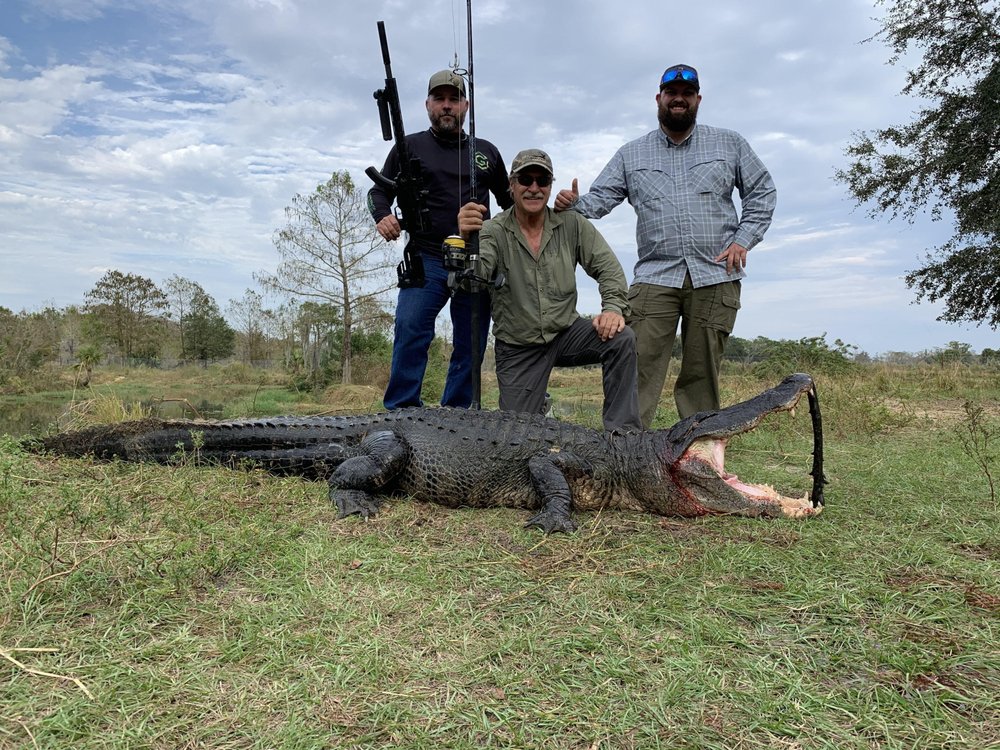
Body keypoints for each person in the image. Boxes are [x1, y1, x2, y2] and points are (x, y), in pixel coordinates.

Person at [555, 64, 776, 427]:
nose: (679, 99)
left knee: (701, 374)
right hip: (656, 275)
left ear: (697, 100)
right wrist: (571, 204)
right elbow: (598, 201)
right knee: (636, 363)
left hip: (715, 273)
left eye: (687, 94)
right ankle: (625, 452)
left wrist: (743, 239)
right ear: (659, 98)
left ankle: (699, 455)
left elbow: (763, 191)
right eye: (671, 93)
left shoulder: (729, 143)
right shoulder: (632, 154)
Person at [458, 149, 641, 433]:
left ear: (550, 185)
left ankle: (623, 438)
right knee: (517, 437)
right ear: (512, 184)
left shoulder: (572, 223)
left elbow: (608, 268)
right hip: (518, 347)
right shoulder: (492, 230)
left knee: (621, 338)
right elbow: (476, 276)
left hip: (566, 333)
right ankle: (538, 404)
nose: (534, 188)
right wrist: (467, 241)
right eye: (525, 180)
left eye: (542, 180)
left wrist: (613, 308)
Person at [368, 70, 513, 410]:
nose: (447, 106)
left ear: (465, 105)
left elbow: (512, 203)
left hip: (476, 261)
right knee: (410, 330)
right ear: (428, 104)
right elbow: (379, 190)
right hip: (427, 257)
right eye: (439, 99)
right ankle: (401, 412)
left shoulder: (486, 152)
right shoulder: (408, 147)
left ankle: (456, 416)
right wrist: (383, 216)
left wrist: (551, 209)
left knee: (471, 344)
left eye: (454, 99)